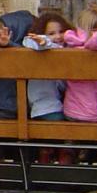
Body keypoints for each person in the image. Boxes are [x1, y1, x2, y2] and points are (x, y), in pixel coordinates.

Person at [24, 11, 73, 163]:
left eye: (61, 32)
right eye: (51, 33)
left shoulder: (67, 51)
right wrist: (45, 42)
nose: (57, 36)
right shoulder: (38, 48)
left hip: (58, 103)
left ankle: (52, 157)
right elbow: (29, 41)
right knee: (60, 134)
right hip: (45, 104)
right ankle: (57, 161)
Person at [0, 10, 34, 119]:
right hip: (22, 108)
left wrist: (8, 45)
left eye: (4, 33)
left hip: (3, 107)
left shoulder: (1, 54)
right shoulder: (30, 50)